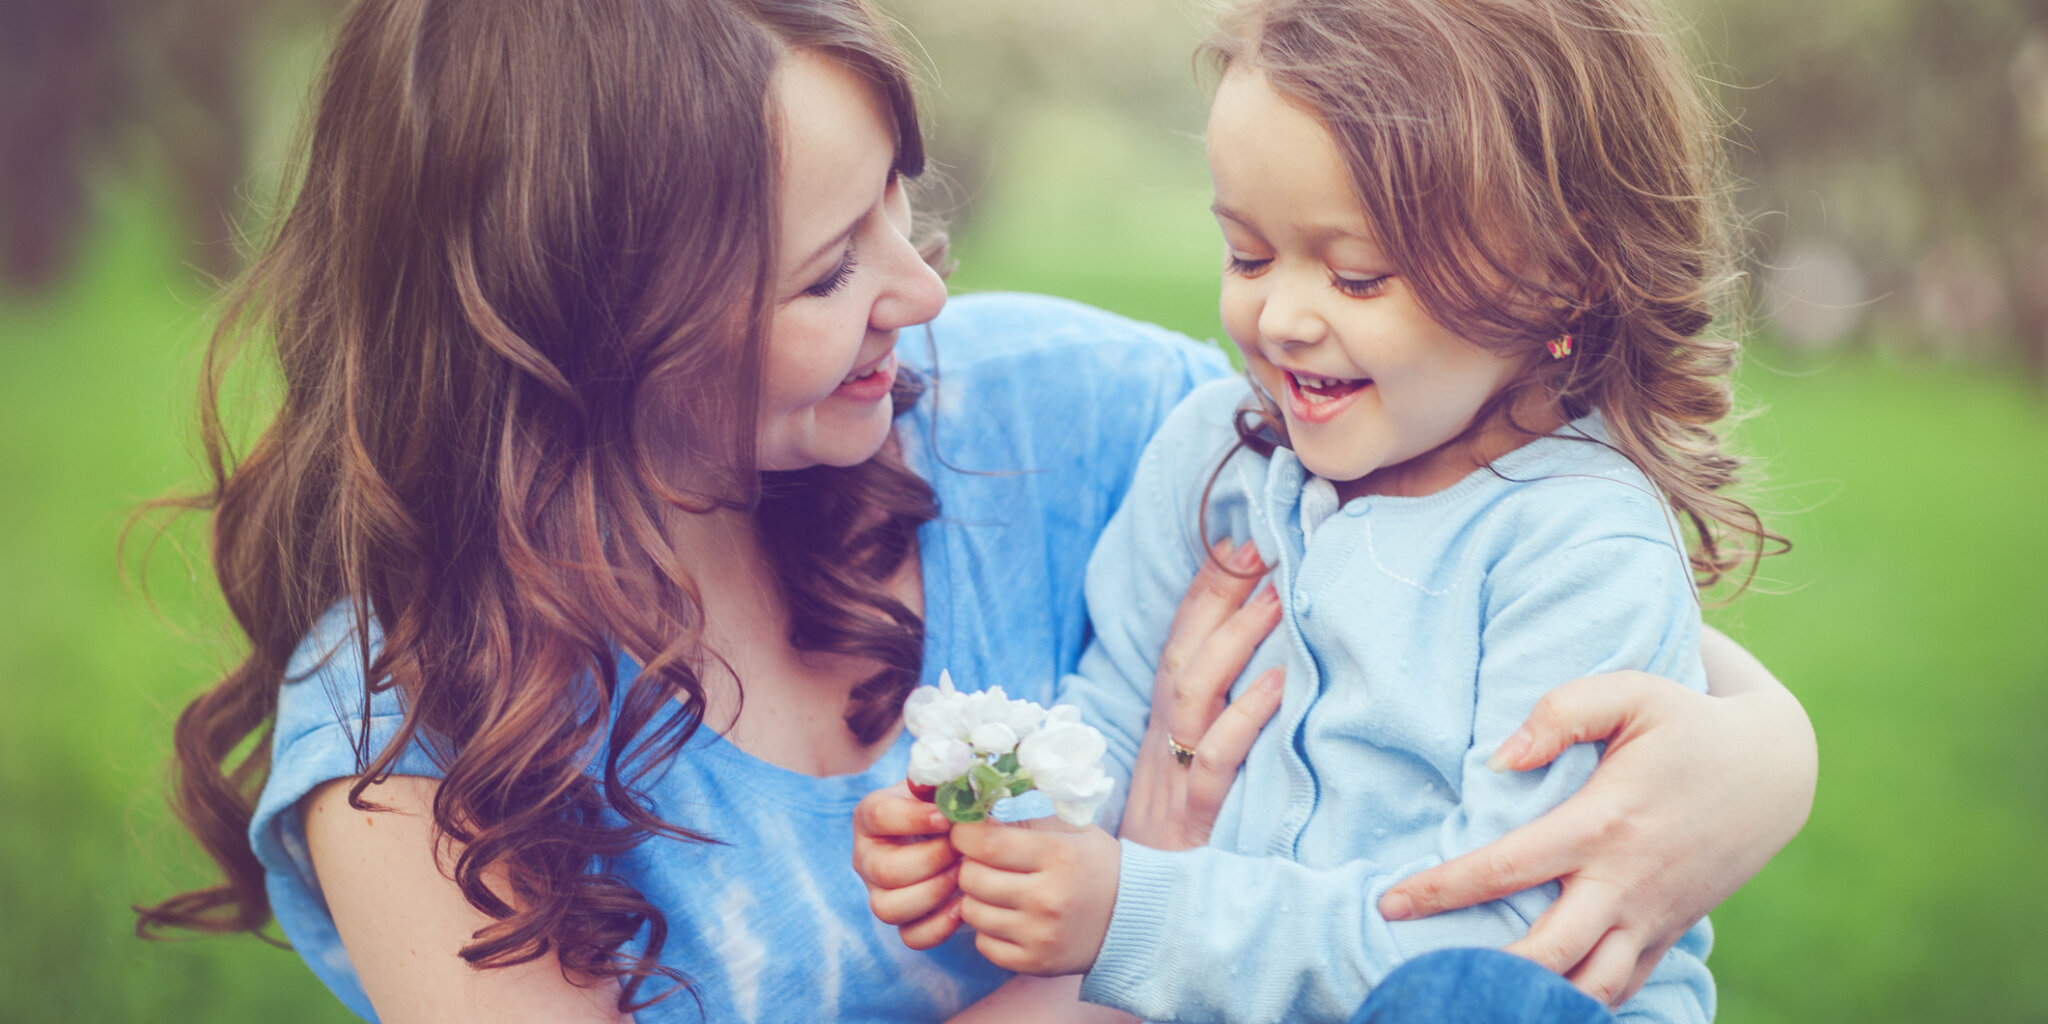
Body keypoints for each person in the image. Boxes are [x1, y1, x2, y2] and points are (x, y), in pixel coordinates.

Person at [130, 0, 1812, 1022]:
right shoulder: (412, 748)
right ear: (580, 329)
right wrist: (1127, 875)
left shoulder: (1044, 410)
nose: (918, 297)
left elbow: (1484, 569)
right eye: (822, 269)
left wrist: (1757, 758)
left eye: (901, 213)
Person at [856, 0, 1792, 1021]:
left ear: (1563, 281)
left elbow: (1506, 933)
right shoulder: (1216, 461)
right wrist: (998, 830)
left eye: (1355, 276)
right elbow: (1113, 713)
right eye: (1248, 257)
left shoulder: (1573, 546)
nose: (1281, 318)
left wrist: (1134, 910)